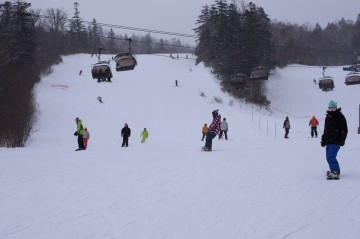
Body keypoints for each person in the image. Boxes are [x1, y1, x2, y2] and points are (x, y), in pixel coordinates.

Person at [321, 100, 348, 180]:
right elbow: (326, 130)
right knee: (328, 157)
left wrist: (342, 139)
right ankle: (333, 170)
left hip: (336, 140)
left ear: (336, 107)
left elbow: (344, 129)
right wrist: (323, 140)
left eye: (333, 108)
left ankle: (335, 172)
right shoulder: (328, 117)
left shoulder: (340, 116)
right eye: (330, 108)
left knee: (331, 156)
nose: (331, 109)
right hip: (329, 141)